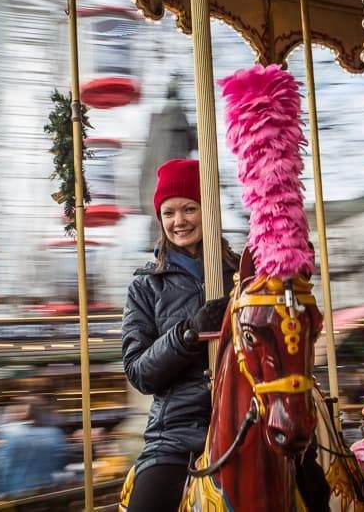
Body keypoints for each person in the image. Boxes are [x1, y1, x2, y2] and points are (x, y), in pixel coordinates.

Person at [121, 158, 238, 511]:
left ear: (209, 211)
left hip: (245, 421)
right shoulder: (145, 285)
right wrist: (188, 334)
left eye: (189, 208)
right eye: (168, 212)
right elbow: (139, 372)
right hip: (177, 434)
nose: (178, 221)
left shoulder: (241, 272)